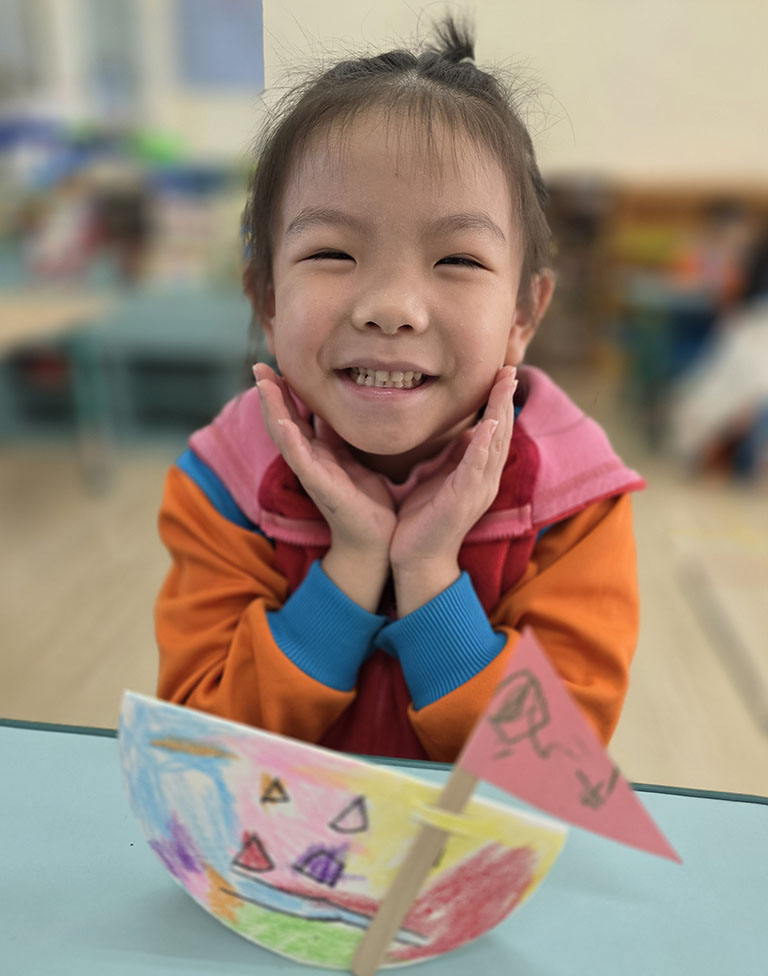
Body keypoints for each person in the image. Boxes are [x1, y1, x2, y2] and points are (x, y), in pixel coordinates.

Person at [155, 18, 644, 762]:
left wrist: (428, 573)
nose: (391, 308)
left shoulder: (573, 504)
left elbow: (551, 767)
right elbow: (202, 749)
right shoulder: (223, 485)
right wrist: (352, 564)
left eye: (457, 260)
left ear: (523, 315)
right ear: (267, 299)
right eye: (332, 252)